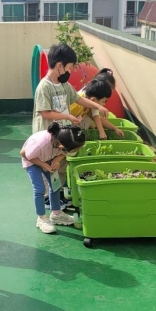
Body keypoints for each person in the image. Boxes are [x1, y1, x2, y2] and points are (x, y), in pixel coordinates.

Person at [32, 43, 109, 210]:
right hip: (48, 136)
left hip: (62, 136)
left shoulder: (64, 85)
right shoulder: (44, 87)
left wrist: (98, 106)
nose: (71, 71)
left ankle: (57, 196)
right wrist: (67, 116)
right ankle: (48, 199)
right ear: (59, 66)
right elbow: (45, 113)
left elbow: (79, 99)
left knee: (60, 164)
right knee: (48, 166)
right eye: (70, 67)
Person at [21, 123, 86, 234]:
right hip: (33, 161)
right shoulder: (39, 143)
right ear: (61, 144)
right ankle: (41, 218)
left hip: (49, 158)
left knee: (56, 184)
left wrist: (57, 160)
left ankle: (56, 213)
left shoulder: (67, 140)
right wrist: (42, 164)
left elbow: (65, 153)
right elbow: (24, 153)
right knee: (40, 189)